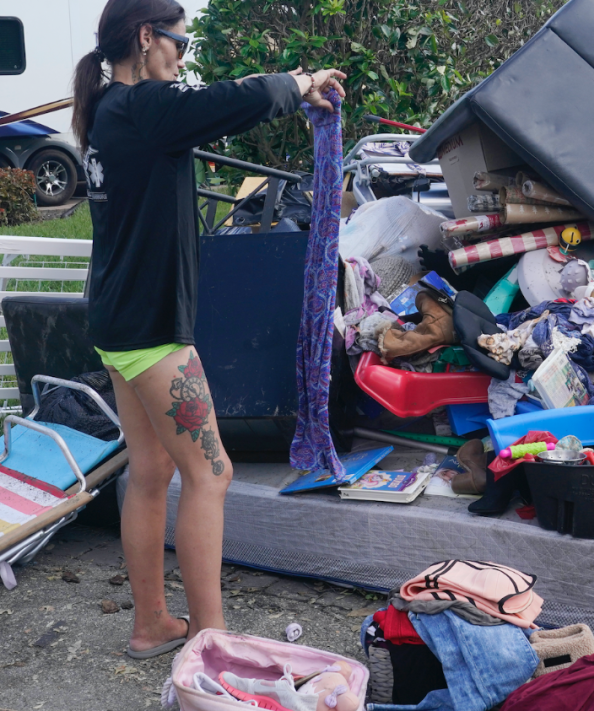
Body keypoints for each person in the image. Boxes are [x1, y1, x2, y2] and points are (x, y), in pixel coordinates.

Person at [71, 0, 345, 658]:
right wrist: (303, 83)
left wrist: (290, 84)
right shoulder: (147, 107)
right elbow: (232, 101)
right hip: (152, 331)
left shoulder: (110, 109)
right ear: (146, 37)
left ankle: (151, 625)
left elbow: (218, 98)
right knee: (211, 473)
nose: (182, 56)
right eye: (180, 43)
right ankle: (212, 639)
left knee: (150, 470)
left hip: (117, 319)